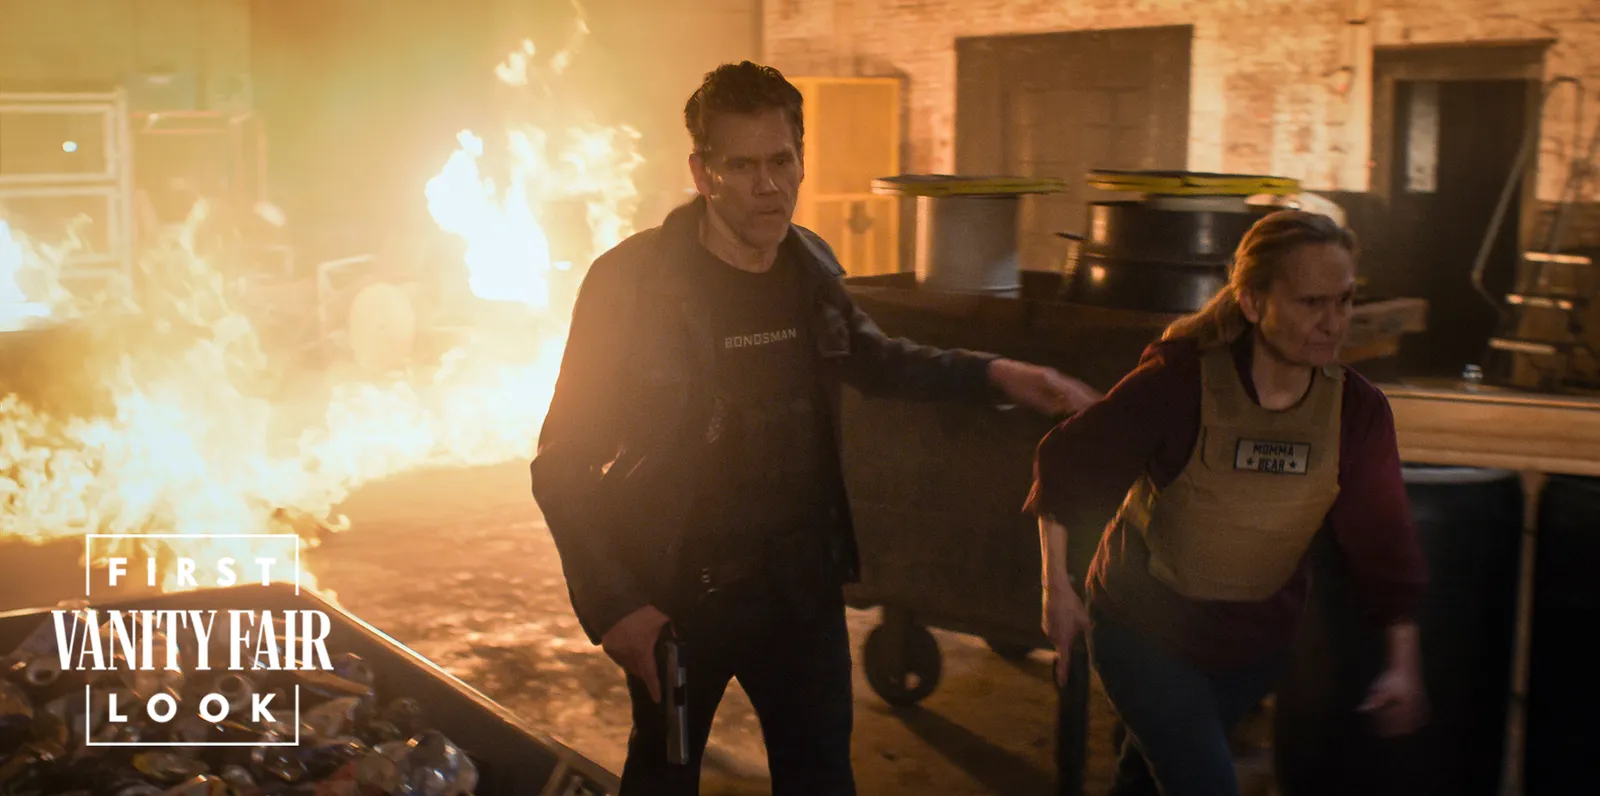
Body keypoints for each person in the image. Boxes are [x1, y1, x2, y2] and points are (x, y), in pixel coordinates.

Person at [530, 61, 1101, 795]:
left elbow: (876, 359)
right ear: (702, 173)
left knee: (822, 776)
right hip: (679, 594)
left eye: (781, 161)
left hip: (800, 590)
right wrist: (618, 607)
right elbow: (562, 461)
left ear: (802, 159)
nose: (768, 186)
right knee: (664, 776)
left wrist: (998, 375)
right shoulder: (631, 285)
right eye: (743, 167)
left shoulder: (810, 266)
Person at [1027, 210, 1430, 796]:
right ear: (1252, 303)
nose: (1333, 323)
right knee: (1205, 783)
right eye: (1311, 303)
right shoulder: (1180, 383)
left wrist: (1403, 664)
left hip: (1253, 648)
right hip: (1143, 633)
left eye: (1344, 301)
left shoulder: (1357, 412)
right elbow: (1068, 462)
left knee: (1150, 778)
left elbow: (1384, 543)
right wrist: (1057, 590)